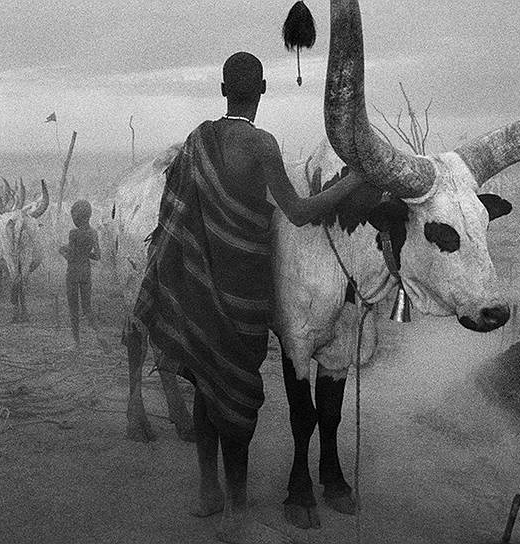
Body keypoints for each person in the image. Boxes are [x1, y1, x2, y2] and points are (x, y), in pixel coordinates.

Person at [132, 52, 365, 544]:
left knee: (204, 382)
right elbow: (297, 211)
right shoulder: (261, 144)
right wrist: (350, 185)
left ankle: (208, 492)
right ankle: (237, 504)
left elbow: (175, 213)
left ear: (223, 90)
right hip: (243, 291)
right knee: (234, 392)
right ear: (262, 89)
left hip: (199, 287)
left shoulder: (197, 141)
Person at [59, 200, 101, 344]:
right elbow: (97, 256)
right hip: (86, 271)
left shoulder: (73, 233)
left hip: (73, 272)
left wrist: (62, 251)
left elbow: (71, 256)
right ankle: (99, 333)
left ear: (76, 217)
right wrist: (85, 253)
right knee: (87, 307)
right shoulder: (93, 233)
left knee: (74, 310)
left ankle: (77, 343)